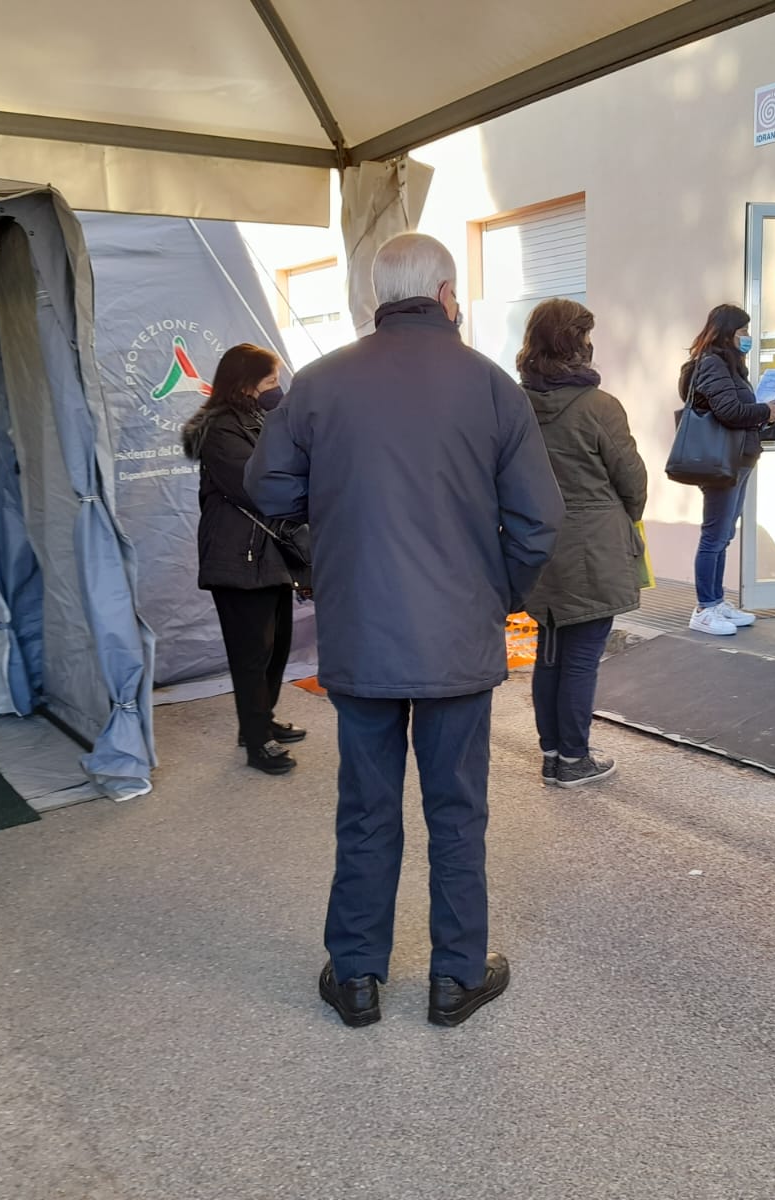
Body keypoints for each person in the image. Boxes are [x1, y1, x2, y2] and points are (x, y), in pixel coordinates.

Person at [246, 232, 563, 1030]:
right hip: (458, 635)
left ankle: (356, 976)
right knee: (458, 811)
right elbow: (538, 520)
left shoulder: (318, 385)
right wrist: (495, 596)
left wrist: (335, 540)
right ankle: (455, 978)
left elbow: (268, 487)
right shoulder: (493, 388)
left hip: (362, 634)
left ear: (375, 297)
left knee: (366, 806)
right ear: (447, 293)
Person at [517, 298, 648, 790]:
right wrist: (624, 519)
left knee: (549, 650)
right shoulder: (599, 407)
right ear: (578, 344)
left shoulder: (515, 403)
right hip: (593, 547)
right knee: (580, 658)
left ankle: (552, 754)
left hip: (537, 544)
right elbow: (632, 480)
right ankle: (574, 759)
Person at [181, 343, 307, 776]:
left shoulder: (261, 418)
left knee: (276, 648)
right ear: (246, 384)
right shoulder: (219, 429)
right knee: (251, 653)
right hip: (238, 556)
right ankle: (257, 741)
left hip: (270, 555)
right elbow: (256, 484)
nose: (278, 389)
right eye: (271, 382)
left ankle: (261, 721)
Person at [678, 304, 775, 636]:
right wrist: (765, 410)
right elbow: (729, 410)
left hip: (739, 459)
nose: (748, 338)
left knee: (724, 535)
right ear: (726, 333)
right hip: (721, 462)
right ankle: (704, 608)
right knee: (713, 536)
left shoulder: (730, 366)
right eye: (743, 332)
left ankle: (716, 600)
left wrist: (764, 410)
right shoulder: (713, 364)